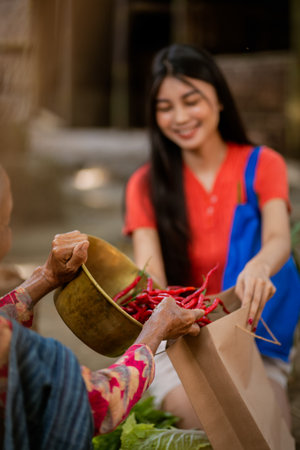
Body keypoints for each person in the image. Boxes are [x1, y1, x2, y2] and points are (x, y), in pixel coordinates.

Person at [123, 44, 300, 429]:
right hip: (181, 343)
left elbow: (278, 239)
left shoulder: (262, 164)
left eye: (192, 100)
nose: (180, 117)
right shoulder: (144, 185)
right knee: (205, 421)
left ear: (219, 99)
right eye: (165, 107)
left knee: (268, 428)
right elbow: (148, 277)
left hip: (255, 339)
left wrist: (258, 266)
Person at [0, 167, 205, 449]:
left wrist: (46, 278)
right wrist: (153, 333)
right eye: (7, 224)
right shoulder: (10, 345)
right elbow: (97, 403)